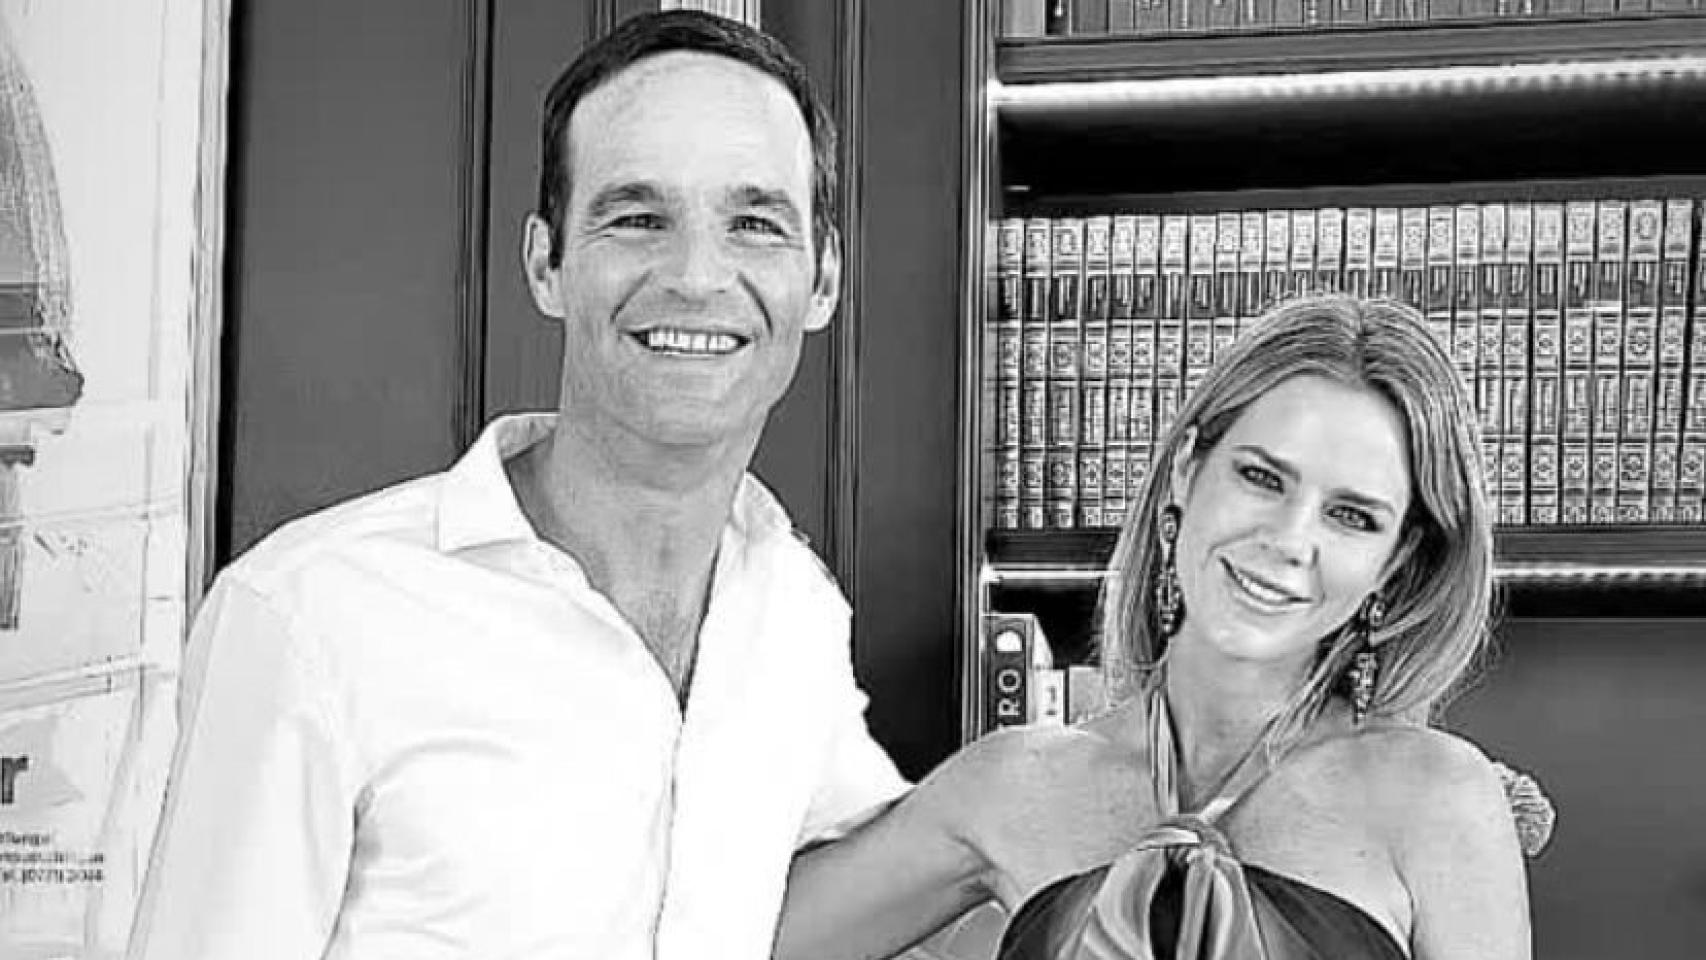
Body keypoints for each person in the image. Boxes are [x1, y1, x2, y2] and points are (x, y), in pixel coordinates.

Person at [127, 12, 909, 960]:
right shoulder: (304, 618)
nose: (698, 276)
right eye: (637, 218)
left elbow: (879, 878)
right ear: (546, 264)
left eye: (754, 224)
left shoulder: (792, 612)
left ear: (821, 280)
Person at [776, 294, 1538, 960]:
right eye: (1261, 477)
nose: (1288, 540)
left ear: (1395, 561)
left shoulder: (1439, 798)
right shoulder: (1012, 786)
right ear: (1185, 471)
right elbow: (731, 932)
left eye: (1351, 516)